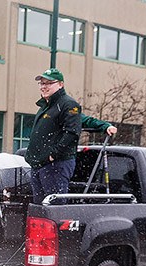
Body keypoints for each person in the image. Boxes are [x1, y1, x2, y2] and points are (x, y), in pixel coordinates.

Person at [25, 68, 82, 203]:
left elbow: (72, 132)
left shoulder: (68, 104)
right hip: (39, 165)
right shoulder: (46, 106)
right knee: (41, 209)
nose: (44, 86)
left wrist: (53, 155)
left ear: (61, 84)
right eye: (42, 83)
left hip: (55, 165)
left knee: (53, 208)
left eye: (49, 83)